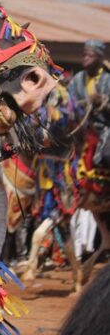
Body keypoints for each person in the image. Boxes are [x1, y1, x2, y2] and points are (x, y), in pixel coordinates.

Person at [68, 40, 110, 259]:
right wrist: (85, 103)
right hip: (81, 131)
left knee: (107, 153)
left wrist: (103, 100)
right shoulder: (76, 80)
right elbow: (69, 105)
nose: (85, 58)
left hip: (104, 130)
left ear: (100, 58)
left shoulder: (107, 80)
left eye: (89, 55)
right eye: (84, 54)